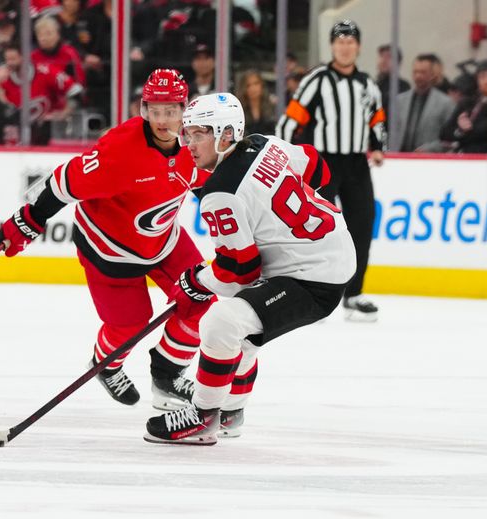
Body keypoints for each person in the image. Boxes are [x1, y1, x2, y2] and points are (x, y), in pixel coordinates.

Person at [145, 93, 356, 445]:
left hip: (314, 279)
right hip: (333, 250)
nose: (189, 144)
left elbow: (237, 271)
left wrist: (196, 280)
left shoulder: (220, 192)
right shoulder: (265, 143)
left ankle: (203, 416)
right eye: (188, 134)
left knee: (222, 322)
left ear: (226, 134)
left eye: (199, 134)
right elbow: (319, 166)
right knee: (241, 324)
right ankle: (230, 412)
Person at [0, 69, 207, 409]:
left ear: (185, 110)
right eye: (155, 110)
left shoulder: (197, 141)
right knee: (131, 324)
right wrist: (31, 218)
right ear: (144, 109)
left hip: (164, 239)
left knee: (203, 299)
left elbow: (211, 184)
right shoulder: (120, 151)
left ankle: (166, 375)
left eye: (171, 111)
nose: (163, 120)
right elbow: (65, 181)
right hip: (109, 250)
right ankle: (106, 365)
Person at [275, 20, 385, 322]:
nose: (345, 47)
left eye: (351, 41)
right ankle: (312, 293)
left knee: (362, 226)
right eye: (340, 41)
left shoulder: (368, 84)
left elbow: (377, 120)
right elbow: (291, 118)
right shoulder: (317, 80)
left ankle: (354, 294)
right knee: (315, 228)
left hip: (356, 164)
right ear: (332, 46)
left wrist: (378, 147)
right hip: (324, 163)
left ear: (358, 46)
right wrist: (283, 154)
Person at [439, 59, 487, 153]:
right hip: (462, 156)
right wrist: (459, 131)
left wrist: (465, 131)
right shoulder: (467, 102)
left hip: (486, 157)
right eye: (482, 77)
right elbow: (444, 133)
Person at [394, 53, 455, 152]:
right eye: (415, 72)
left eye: (423, 72)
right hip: (400, 159)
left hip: (429, 161)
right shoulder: (400, 101)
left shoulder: (445, 103)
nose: (418, 76)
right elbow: (392, 132)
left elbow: (450, 140)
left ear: (432, 75)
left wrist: (430, 149)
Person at [235, 69, 275, 135]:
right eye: (248, 85)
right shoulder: (238, 111)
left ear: (262, 85)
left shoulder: (272, 107)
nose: (253, 88)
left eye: (256, 83)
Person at [374, 44, 409, 120]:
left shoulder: (402, 86)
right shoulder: (374, 85)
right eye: (381, 56)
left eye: (389, 57)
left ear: (398, 63)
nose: (384, 60)